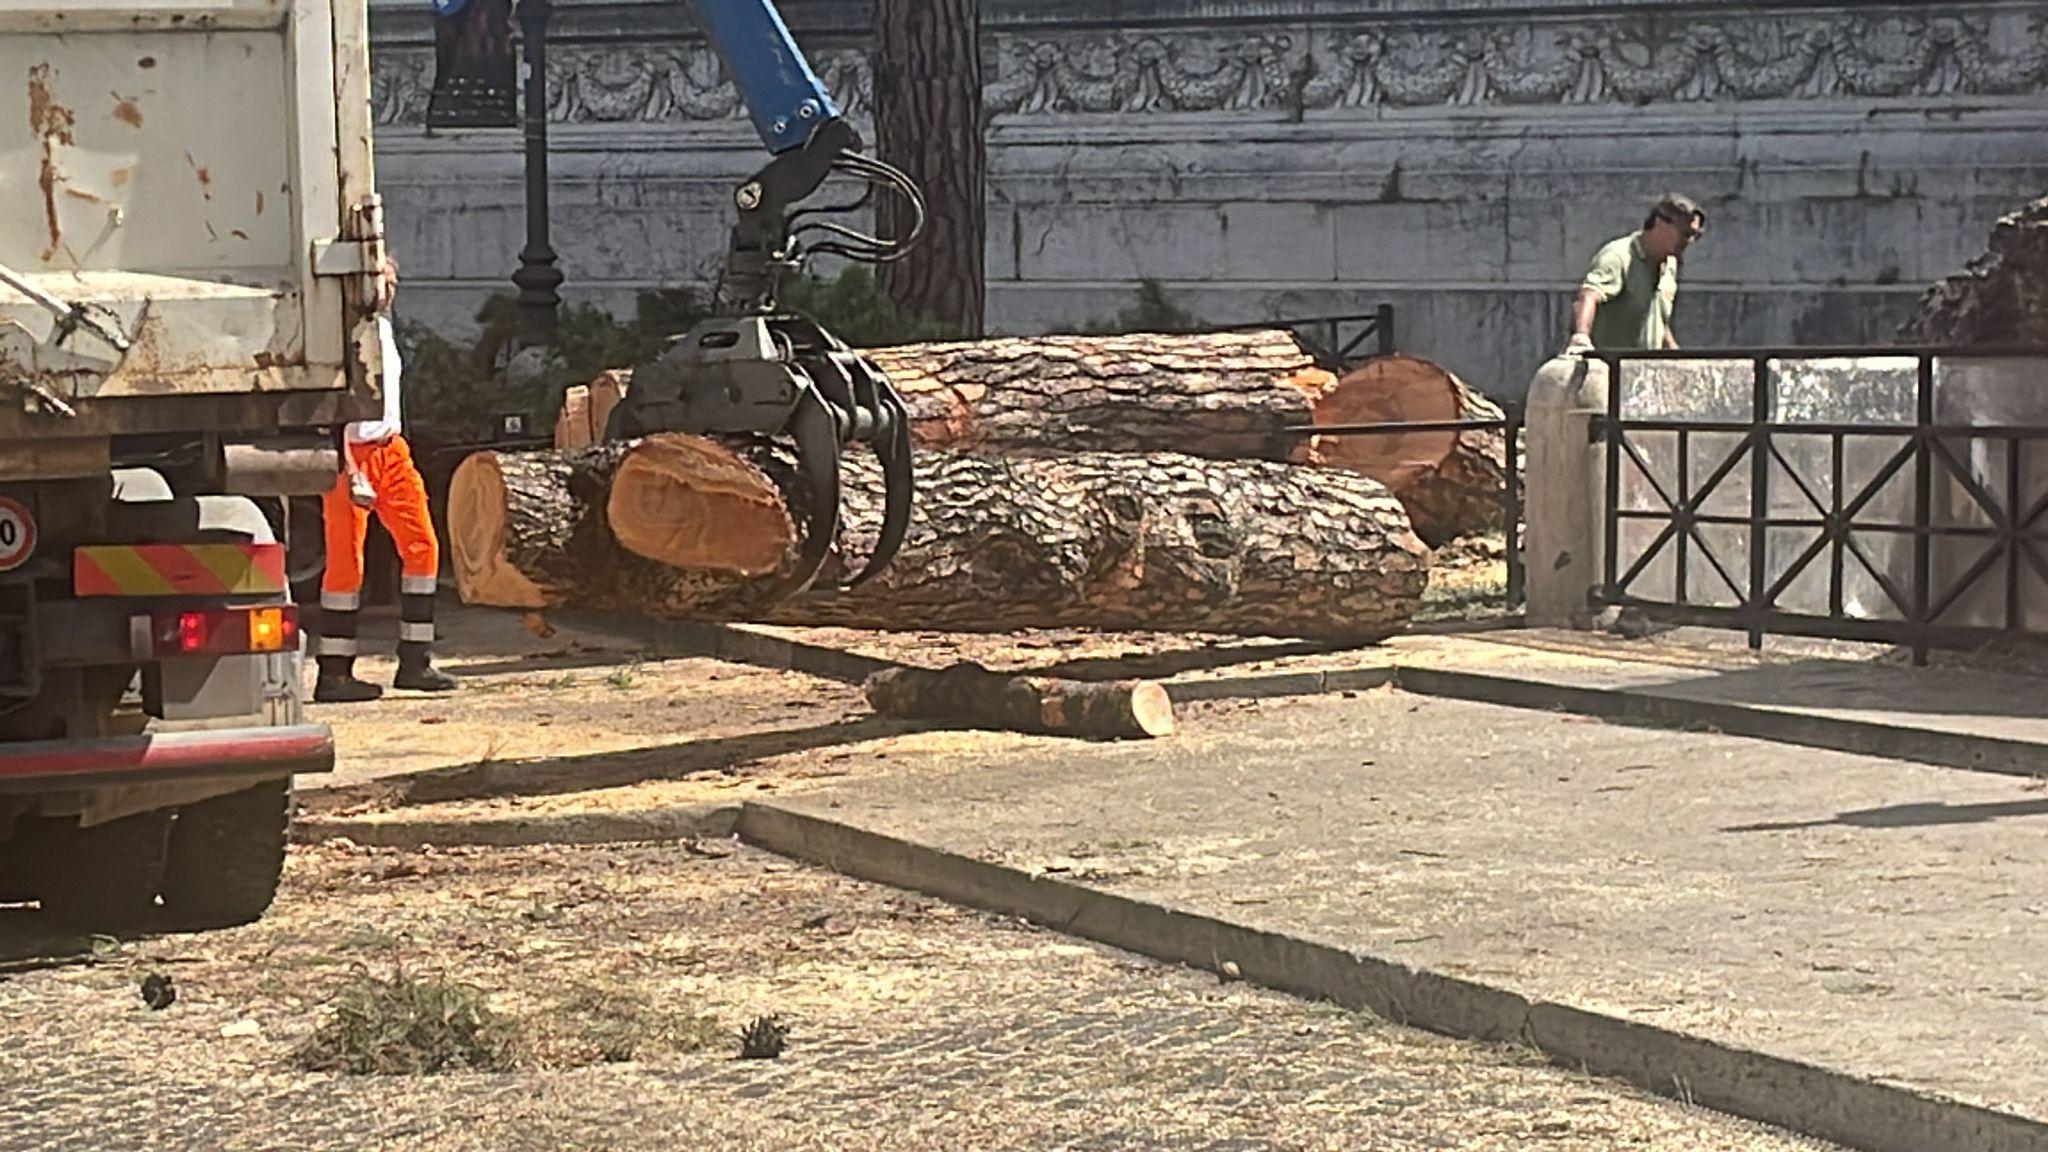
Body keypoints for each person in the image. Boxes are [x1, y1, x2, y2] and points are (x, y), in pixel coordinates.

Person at [313, 313, 459, 702]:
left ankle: (416, 662)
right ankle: (334, 674)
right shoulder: (333, 328)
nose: (385, 286)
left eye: (388, 278)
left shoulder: (383, 327)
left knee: (423, 548)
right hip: (350, 455)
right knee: (346, 562)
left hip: (391, 449)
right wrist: (347, 463)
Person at [1564, 193, 1706, 355]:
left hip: (1644, 370)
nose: (1689, 241)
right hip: (1609, 368)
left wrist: (1678, 357)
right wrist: (1581, 338)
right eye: (1685, 233)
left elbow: (1657, 320)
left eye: (1695, 235)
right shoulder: (1619, 256)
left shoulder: (1669, 266)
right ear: (1660, 223)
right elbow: (1589, 295)